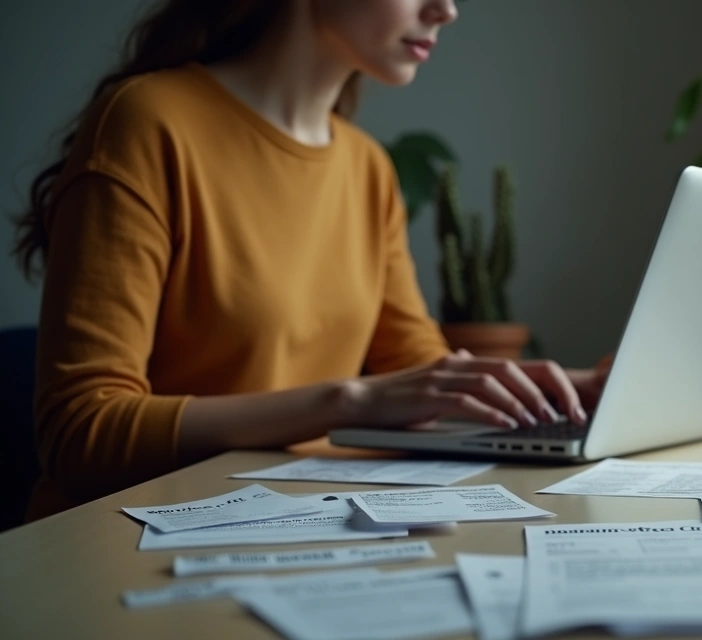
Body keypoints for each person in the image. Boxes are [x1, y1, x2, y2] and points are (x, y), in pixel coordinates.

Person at [11, 0, 608, 519]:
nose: (445, 11)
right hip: (128, 540)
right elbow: (80, 435)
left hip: (301, 521)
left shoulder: (366, 167)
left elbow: (421, 372)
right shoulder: (148, 123)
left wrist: (580, 389)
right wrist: (348, 401)